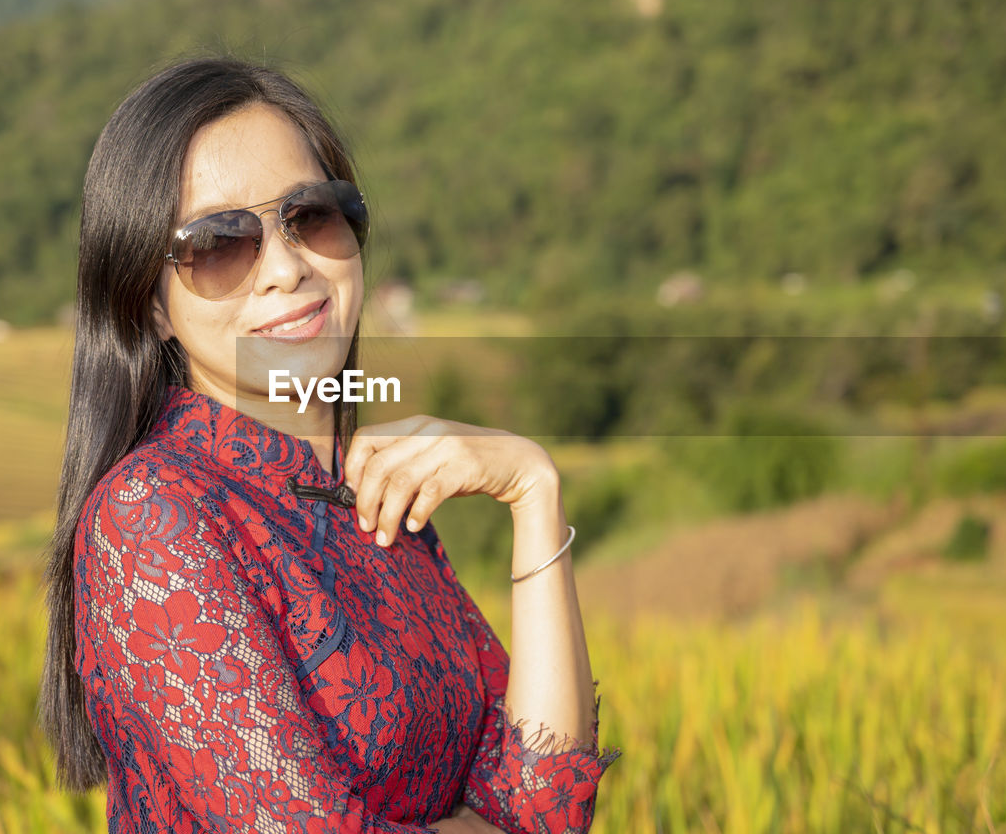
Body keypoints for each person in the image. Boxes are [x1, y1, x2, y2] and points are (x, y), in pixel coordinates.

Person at [40, 56, 619, 833]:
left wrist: (533, 490)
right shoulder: (153, 515)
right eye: (218, 244)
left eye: (310, 215)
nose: (286, 268)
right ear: (150, 306)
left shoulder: (365, 491)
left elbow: (545, 800)